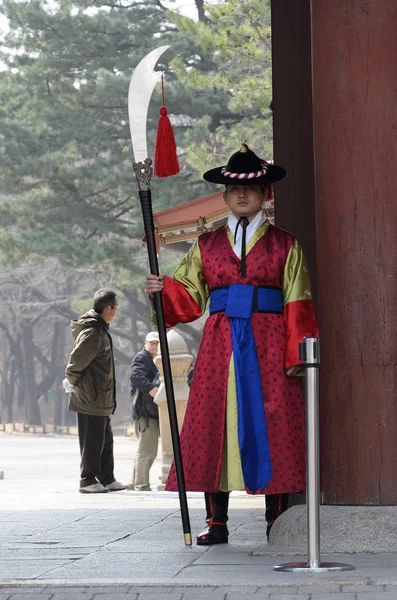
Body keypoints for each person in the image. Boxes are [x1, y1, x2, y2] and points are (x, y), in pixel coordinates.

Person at [146, 144, 318, 545]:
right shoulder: (205, 245)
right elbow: (188, 297)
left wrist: (297, 352)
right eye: (234, 189)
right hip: (220, 343)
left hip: (271, 343)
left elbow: (299, 299)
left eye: (252, 189)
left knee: (276, 423)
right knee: (213, 422)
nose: (242, 195)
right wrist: (161, 290)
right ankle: (216, 521)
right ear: (224, 195)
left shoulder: (285, 244)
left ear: (265, 194)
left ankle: (277, 519)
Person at [64, 289, 127, 494]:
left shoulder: (101, 329)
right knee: (92, 441)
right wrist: (72, 382)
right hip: (90, 397)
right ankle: (87, 480)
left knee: (105, 440)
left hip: (100, 396)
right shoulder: (92, 332)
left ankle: (107, 478)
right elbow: (76, 362)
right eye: (116, 307)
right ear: (108, 308)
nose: (117, 311)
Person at [128, 331, 160, 491]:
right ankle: (141, 484)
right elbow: (136, 377)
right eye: (151, 343)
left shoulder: (156, 360)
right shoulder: (142, 358)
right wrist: (151, 389)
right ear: (145, 343)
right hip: (144, 413)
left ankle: (135, 483)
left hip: (150, 412)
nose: (154, 346)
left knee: (145, 449)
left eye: (157, 343)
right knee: (147, 450)